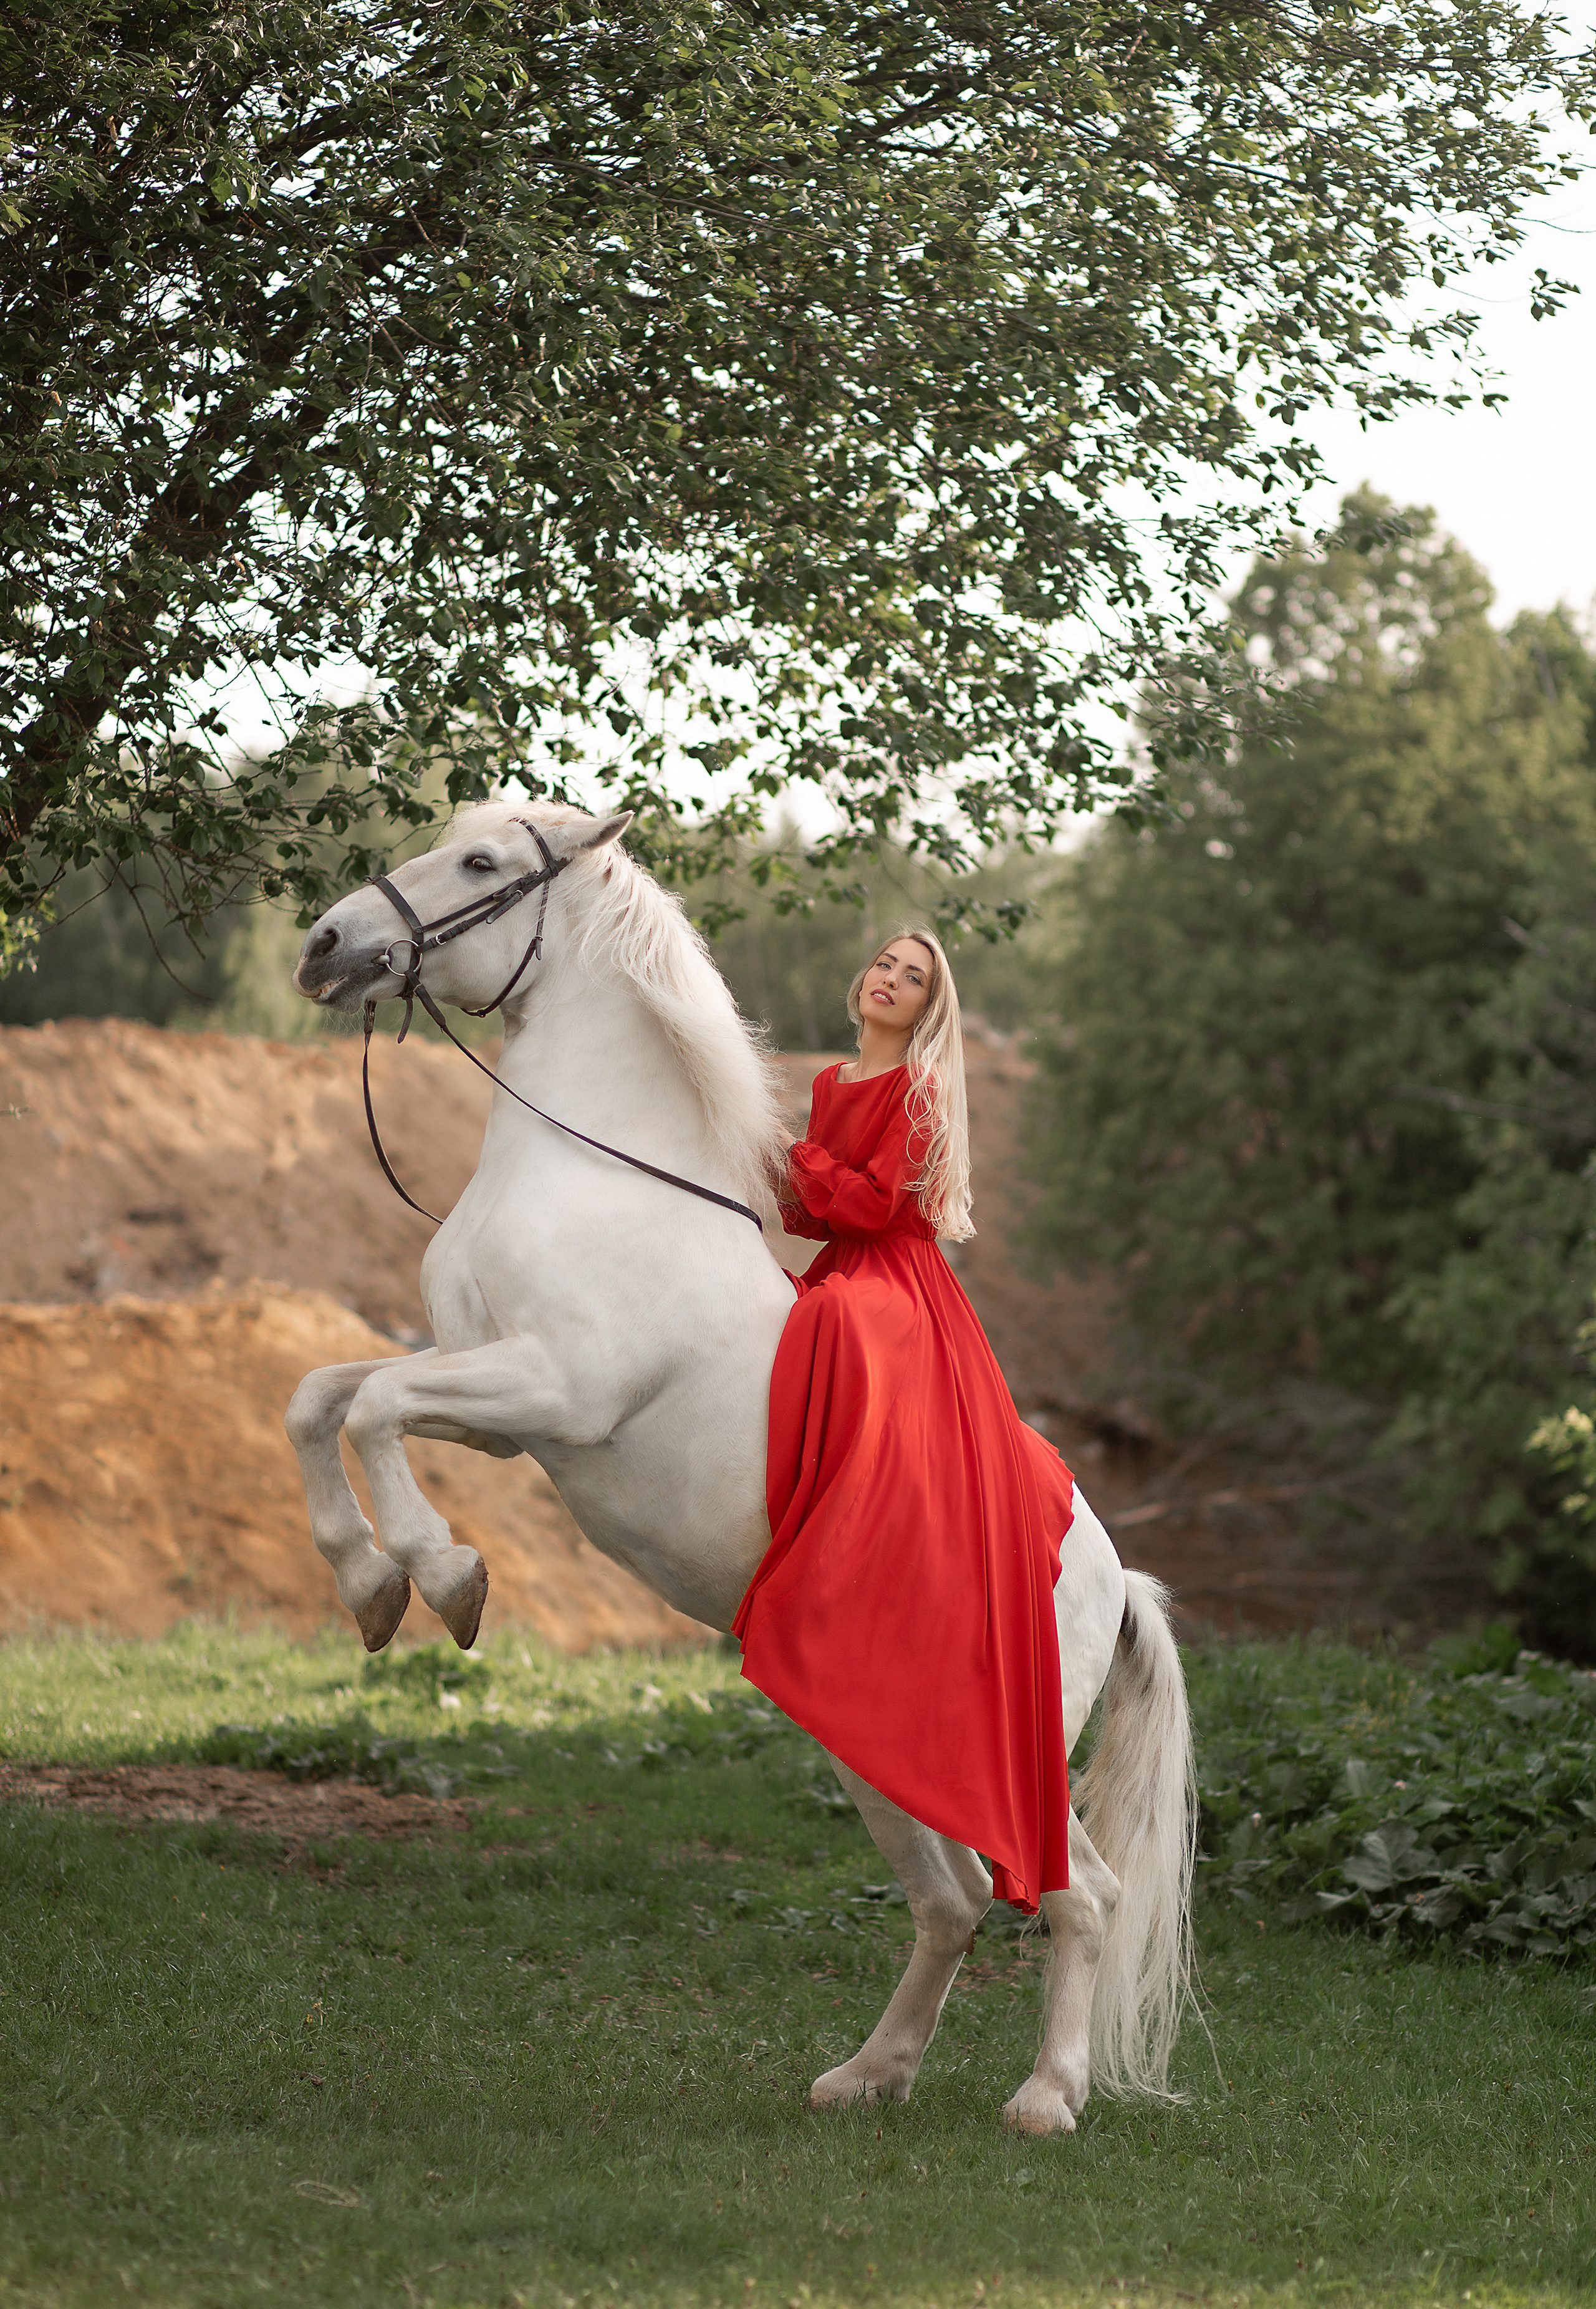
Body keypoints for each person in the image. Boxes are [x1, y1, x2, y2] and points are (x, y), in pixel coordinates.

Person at [732, 929, 1076, 1910]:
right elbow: (813, 1210)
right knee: (791, 1304)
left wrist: (794, 1158)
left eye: (913, 976)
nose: (890, 978)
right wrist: (767, 1166)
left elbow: (878, 1207)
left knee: (834, 1317)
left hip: (898, 1284)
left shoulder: (920, 1089)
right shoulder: (834, 1079)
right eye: (885, 964)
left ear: (929, 1006)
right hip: (845, 1258)